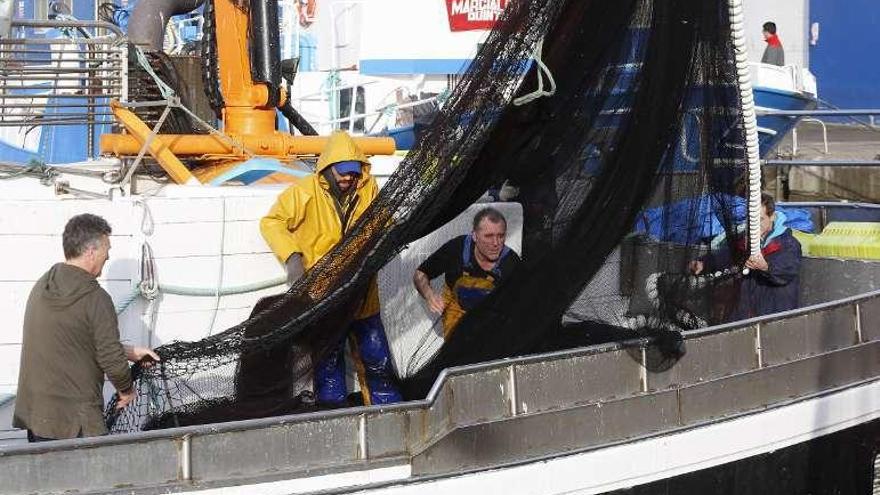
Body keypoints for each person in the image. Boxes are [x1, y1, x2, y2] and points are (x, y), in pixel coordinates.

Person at [260, 130, 401, 407]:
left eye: (354, 172)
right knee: (328, 364)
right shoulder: (304, 192)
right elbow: (271, 222)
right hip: (325, 298)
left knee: (376, 358)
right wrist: (293, 259)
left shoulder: (368, 189)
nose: (349, 178)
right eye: (343, 173)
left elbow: (385, 222)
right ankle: (332, 415)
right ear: (327, 169)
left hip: (362, 296)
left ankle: (389, 412)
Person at [13, 214, 160, 442]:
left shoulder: (44, 284)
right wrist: (126, 390)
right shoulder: (95, 297)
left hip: (38, 417)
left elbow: (73, 337)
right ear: (91, 251)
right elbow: (109, 357)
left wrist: (129, 352)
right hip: (74, 423)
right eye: (106, 249)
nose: (108, 255)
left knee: (49, 476)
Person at [690, 192, 801, 320]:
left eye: (760, 219)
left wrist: (766, 267)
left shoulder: (789, 244)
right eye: (752, 220)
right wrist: (704, 263)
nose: (755, 225)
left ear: (772, 217)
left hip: (775, 316)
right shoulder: (746, 241)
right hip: (746, 312)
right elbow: (728, 255)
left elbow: (786, 271)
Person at [413, 207, 521, 338]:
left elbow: (519, 303)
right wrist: (429, 295)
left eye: (501, 236)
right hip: (456, 309)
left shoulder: (511, 263)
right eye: (488, 236)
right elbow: (421, 273)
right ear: (474, 236)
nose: (496, 243)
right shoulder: (457, 249)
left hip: (490, 314)